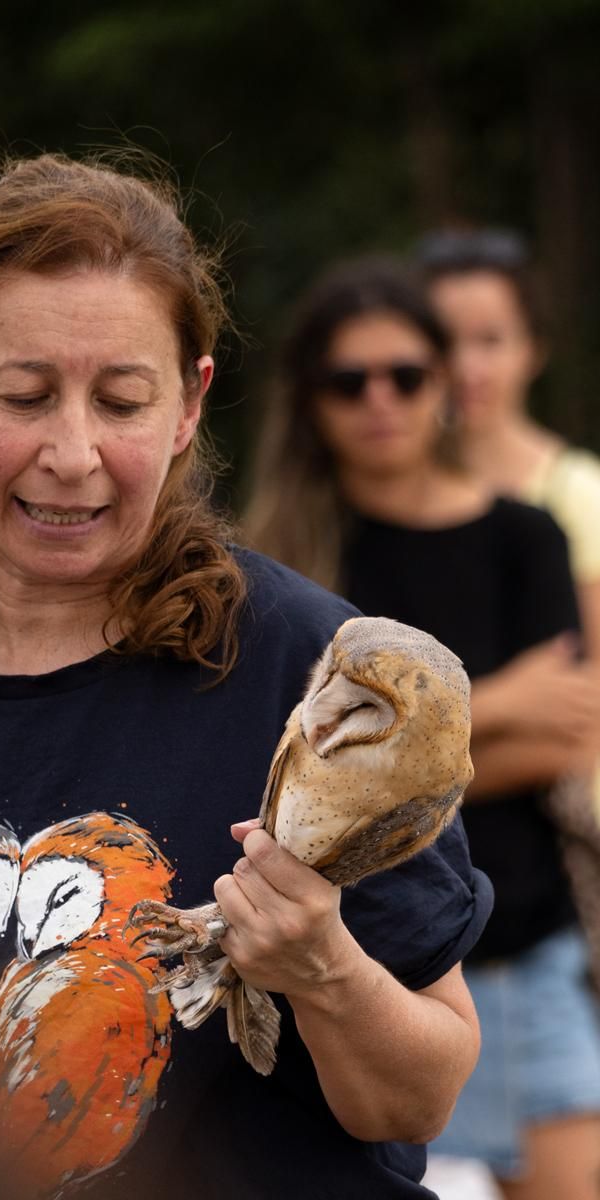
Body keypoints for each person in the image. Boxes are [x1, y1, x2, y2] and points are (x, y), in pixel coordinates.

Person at [0, 155, 491, 1200]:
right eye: (24, 394)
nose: (71, 452)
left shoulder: (308, 673)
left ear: (185, 409)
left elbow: (418, 1096)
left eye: (120, 400)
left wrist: (321, 969)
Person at [244, 257, 600, 1200]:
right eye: (348, 380)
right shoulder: (284, 566)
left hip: (520, 943)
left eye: (406, 374)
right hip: (346, 969)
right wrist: (498, 705)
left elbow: (564, 736)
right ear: (310, 400)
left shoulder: (523, 535)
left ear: (445, 383)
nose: (380, 401)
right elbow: (270, 777)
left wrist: (379, 759)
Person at [418, 227, 600, 664]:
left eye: (490, 340)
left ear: (533, 350)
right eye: (444, 341)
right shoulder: (385, 482)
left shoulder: (580, 492)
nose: (465, 367)